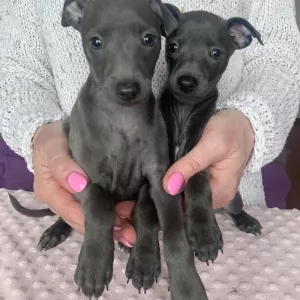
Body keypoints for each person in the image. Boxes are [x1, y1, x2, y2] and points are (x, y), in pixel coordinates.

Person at [0, 0, 300, 248]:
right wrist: (37, 132)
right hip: (87, 182)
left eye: (148, 39)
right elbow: (14, 68)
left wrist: (251, 123)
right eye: (174, 47)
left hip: (228, 192)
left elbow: (281, 57)